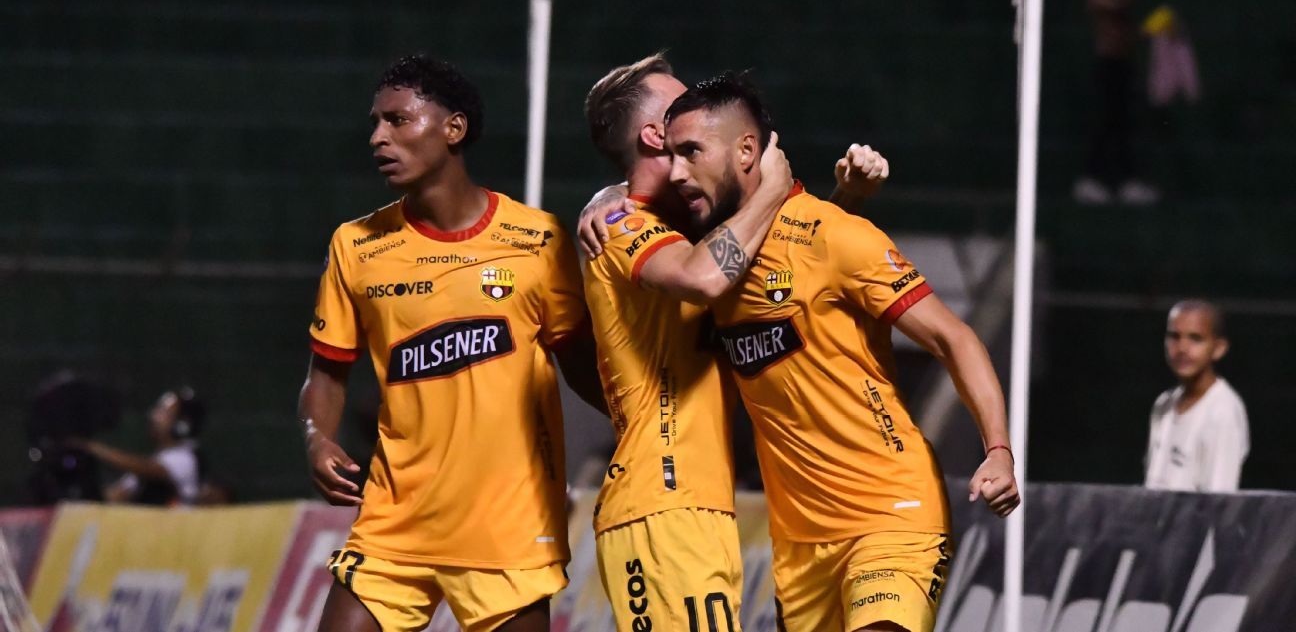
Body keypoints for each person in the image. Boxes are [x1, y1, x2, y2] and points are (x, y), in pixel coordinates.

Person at [661, 73, 1019, 632]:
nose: (676, 172)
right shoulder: (711, 258)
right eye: (670, 155)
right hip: (800, 547)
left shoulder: (837, 236)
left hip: (891, 517)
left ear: (747, 151)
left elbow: (954, 338)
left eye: (690, 152)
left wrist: (998, 449)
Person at [579, 54, 890, 631]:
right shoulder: (624, 226)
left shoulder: (693, 226)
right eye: (678, 106)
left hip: (700, 503)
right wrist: (773, 188)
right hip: (660, 499)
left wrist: (845, 199)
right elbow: (704, 279)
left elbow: (790, 274)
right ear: (655, 135)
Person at [298, 55, 605, 632]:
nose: (378, 137)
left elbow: (582, 364)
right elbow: (326, 374)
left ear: (454, 128)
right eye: (375, 123)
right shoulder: (355, 246)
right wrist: (317, 438)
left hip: (509, 525)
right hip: (395, 521)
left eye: (397, 120)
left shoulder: (538, 239)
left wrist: (638, 426)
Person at [1074, 0, 1159, 205]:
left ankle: (1127, 183)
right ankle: (1089, 181)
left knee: (1122, 126)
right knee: (1105, 125)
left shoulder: (1119, 4)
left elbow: (1129, 36)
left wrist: (1152, 28)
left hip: (1123, 66)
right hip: (1107, 68)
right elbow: (1120, 3)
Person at [1144, 300, 1249, 492]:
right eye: (1174, 336)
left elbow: (1219, 499)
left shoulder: (1222, 412)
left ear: (1218, 348)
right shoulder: (1163, 404)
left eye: (1195, 338)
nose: (1182, 348)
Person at [72, 387, 206, 506]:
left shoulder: (186, 458)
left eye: (163, 413)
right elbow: (117, 495)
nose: (153, 416)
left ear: (182, 426)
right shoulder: (157, 458)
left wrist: (91, 448)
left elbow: (148, 469)